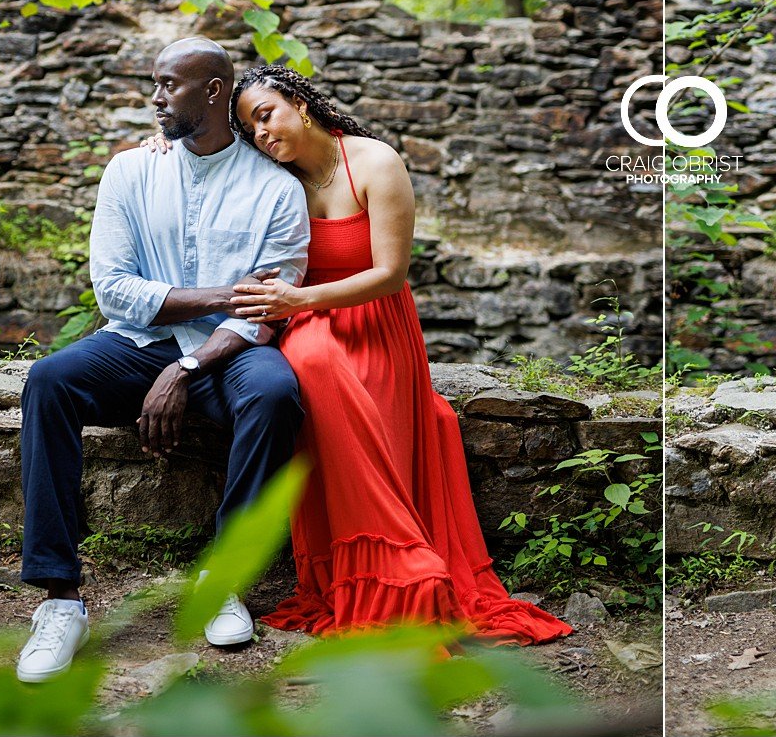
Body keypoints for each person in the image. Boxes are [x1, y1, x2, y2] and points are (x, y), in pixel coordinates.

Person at [216, 65, 571, 643]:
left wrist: (300, 296)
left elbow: (390, 274)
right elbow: (200, 160)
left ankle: (401, 560)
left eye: (266, 116)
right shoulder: (266, 174)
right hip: (306, 322)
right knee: (311, 362)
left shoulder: (375, 162)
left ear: (301, 104)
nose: (260, 135)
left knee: (387, 401)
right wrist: (164, 142)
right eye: (248, 129)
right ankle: (397, 562)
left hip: (377, 323)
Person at [16, 39, 310, 683]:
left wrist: (189, 368)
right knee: (48, 380)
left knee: (274, 393)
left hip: (227, 353)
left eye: (168, 85)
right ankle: (60, 601)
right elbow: (114, 289)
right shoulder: (130, 171)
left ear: (212, 91)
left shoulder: (276, 190)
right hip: (135, 343)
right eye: (153, 83)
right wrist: (221, 293)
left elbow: (264, 309)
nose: (154, 98)